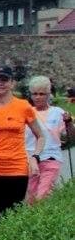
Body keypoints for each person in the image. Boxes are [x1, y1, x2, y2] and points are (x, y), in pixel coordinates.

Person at [0, 64, 46, 225]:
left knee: (14, 216)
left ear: (12, 83)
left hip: (17, 168)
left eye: (4, 80)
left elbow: (40, 136)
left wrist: (35, 157)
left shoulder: (23, 106)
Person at [24, 75, 72, 203]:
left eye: (42, 94)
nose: (38, 97)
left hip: (51, 158)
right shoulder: (25, 112)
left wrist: (69, 123)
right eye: (35, 94)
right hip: (31, 160)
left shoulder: (58, 112)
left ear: (48, 94)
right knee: (30, 198)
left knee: (43, 195)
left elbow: (70, 137)